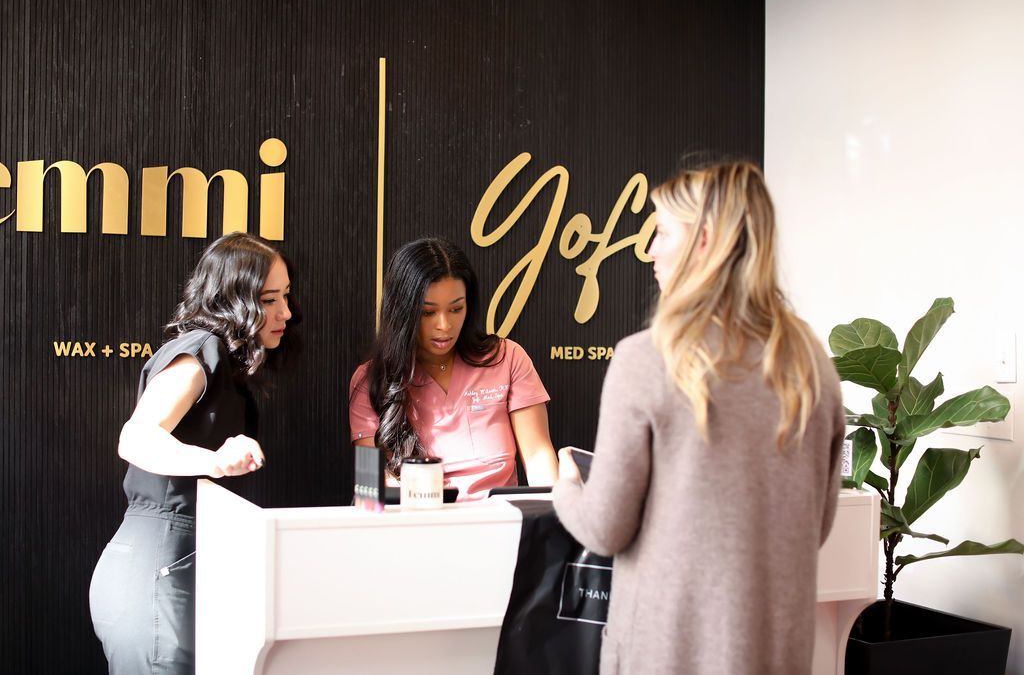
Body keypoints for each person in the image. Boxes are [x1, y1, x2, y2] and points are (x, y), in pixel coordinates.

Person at [552, 161, 845, 675]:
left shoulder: (645, 359)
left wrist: (566, 487)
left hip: (667, 654)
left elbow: (603, 529)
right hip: (776, 653)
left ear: (703, 241)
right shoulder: (811, 363)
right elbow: (815, 526)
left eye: (662, 232)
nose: (649, 250)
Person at [88, 232, 298, 674]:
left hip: (172, 566)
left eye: (286, 296)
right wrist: (215, 461)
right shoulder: (201, 351)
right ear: (234, 299)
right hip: (157, 567)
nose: (286, 312)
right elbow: (136, 437)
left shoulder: (226, 364)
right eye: (269, 299)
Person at [349, 237, 557, 499]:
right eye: (428, 313)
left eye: (456, 308)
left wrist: (557, 515)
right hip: (415, 528)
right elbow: (372, 488)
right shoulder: (370, 380)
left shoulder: (507, 358)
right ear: (402, 312)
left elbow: (539, 455)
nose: (445, 325)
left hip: (499, 528)